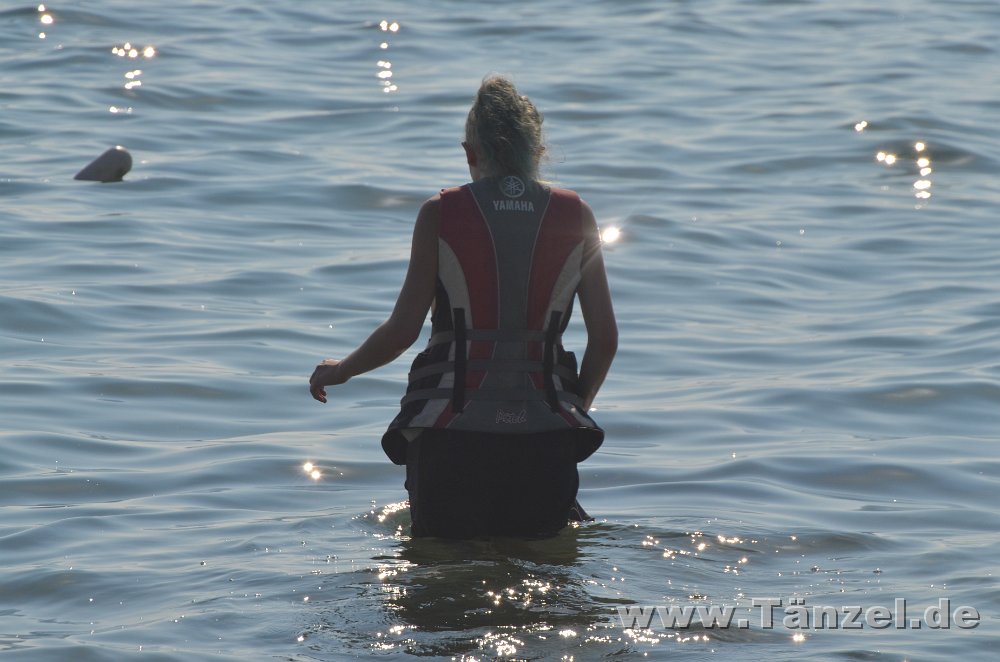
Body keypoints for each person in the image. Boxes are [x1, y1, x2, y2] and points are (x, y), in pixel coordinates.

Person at [310, 75, 617, 539]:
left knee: (444, 578)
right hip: (545, 442)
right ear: (537, 153)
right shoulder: (578, 216)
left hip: (452, 440)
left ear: (470, 153)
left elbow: (402, 331)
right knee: (542, 579)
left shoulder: (440, 213)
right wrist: (568, 409)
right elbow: (605, 340)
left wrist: (342, 371)